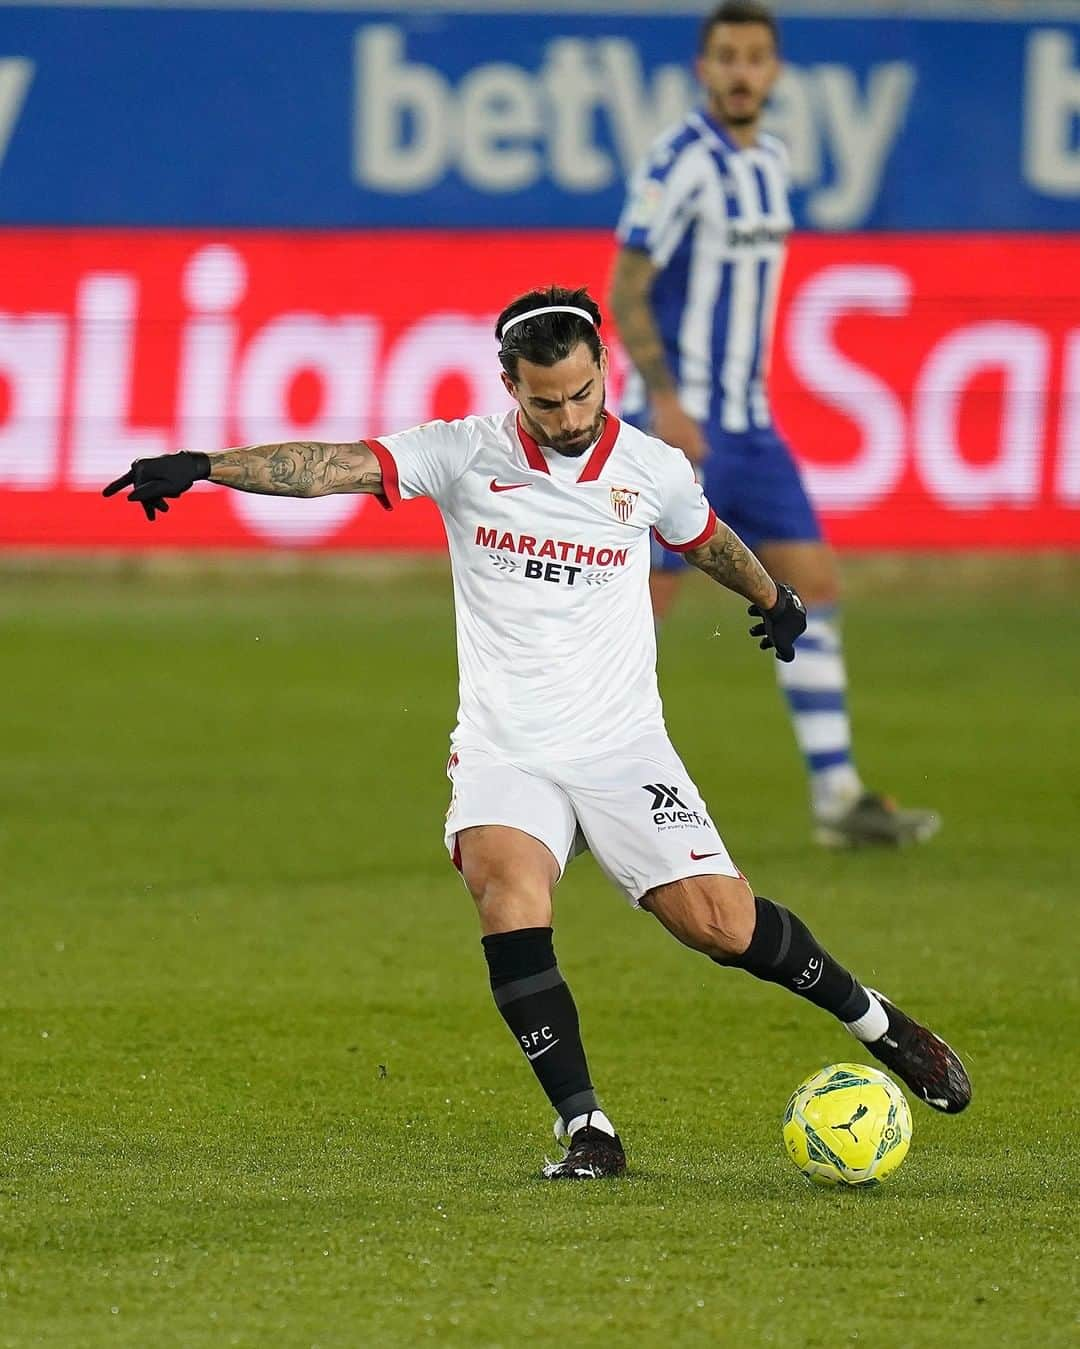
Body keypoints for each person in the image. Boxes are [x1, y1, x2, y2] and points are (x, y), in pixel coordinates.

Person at [103, 285, 970, 1180]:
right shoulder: (461, 454)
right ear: (510, 385)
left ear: (603, 373)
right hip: (506, 747)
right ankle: (586, 1125)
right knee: (507, 894)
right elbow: (327, 464)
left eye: (584, 393)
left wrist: (772, 597)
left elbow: (703, 534)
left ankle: (877, 1020)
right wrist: (204, 464)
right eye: (546, 399)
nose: (569, 415)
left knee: (719, 925)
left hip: (625, 746)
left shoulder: (651, 466)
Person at [609, 0, 939, 848]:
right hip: (678, 424)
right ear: (703, 68)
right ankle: (591, 784)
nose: (743, 71)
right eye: (728, 56)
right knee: (640, 605)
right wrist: (666, 400)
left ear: (777, 70)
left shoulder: (773, 161)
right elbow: (628, 285)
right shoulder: (680, 161)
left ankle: (838, 797)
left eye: (757, 56)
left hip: (752, 427)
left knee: (813, 582)